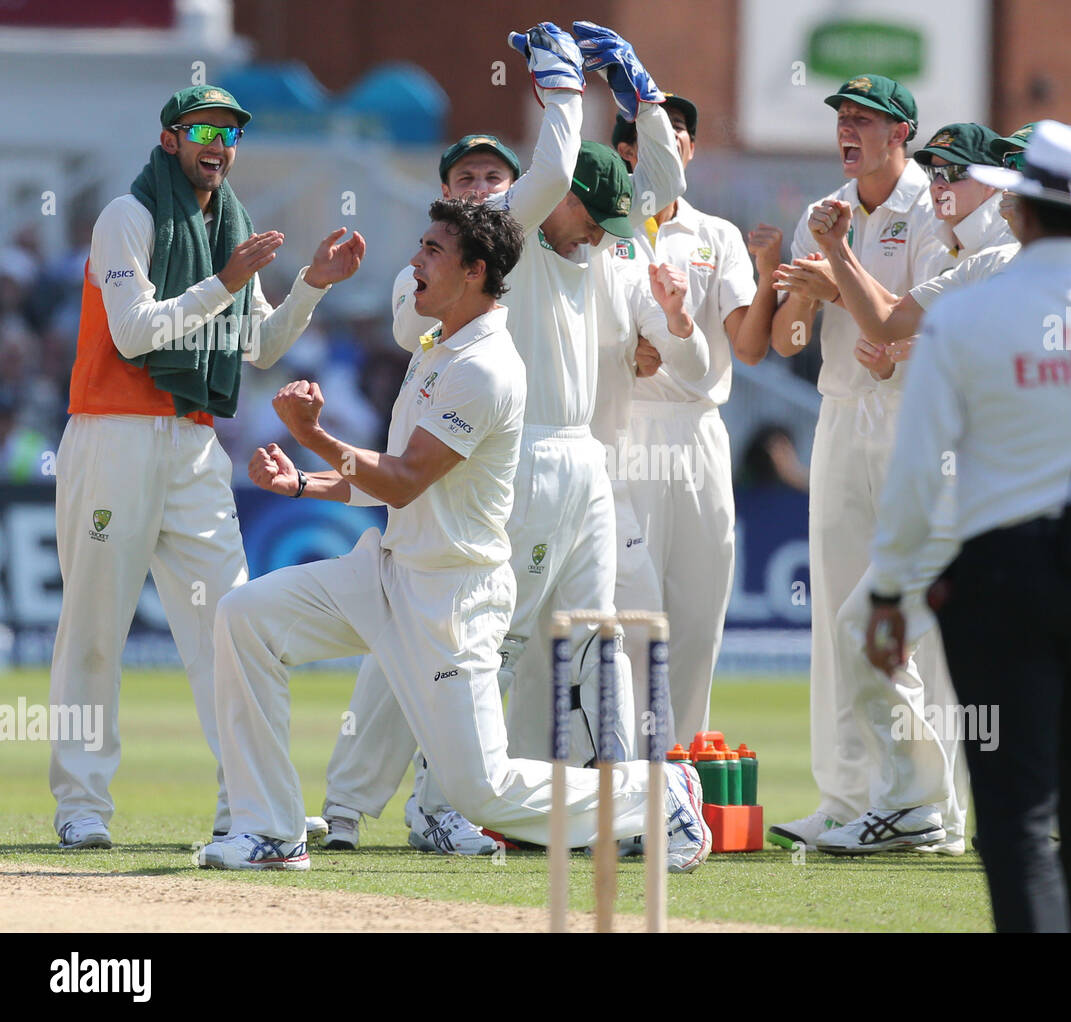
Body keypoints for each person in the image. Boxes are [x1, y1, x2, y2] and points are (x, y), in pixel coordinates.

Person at [195, 199, 711, 873]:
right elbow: (393, 481)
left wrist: (314, 437)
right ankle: (268, 830)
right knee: (244, 618)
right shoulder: (439, 349)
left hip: (451, 597)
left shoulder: (486, 366)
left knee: (483, 791)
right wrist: (305, 483)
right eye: (421, 246)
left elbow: (405, 479)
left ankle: (656, 792)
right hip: (387, 571)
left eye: (432, 251)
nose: (414, 260)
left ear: (473, 271)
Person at [317, 22, 701, 852]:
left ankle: (631, 803)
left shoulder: (583, 248)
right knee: (463, 645)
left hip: (579, 467)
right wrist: (563, 89)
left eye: (499, 177)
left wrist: (640, 94)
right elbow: (554, 173)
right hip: (487, 466)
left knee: (588, 635)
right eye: (471, 180)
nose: (491, 191)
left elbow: (649, 189)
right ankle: (430, 801)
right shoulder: (484, 256)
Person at [865, 47, 1071, 931]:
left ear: (1019, 202)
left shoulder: (970, 314)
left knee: (1016, 815)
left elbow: (914, 472)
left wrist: (890, 589)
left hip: (1001, 580)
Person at [49, 84, 365, 850]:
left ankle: (252, 808)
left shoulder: (231, 224)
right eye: (202, 130)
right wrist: (225, 280)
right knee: (93, 629)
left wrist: (311, 286)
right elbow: (132, 335)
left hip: (193, 442)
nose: (217, 144)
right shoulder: (129, 216)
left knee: (228, 625)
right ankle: (81, 808)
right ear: (170, 140)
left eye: (228, 132)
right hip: (113, 435)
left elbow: (257, 346)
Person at [762, 73, 954, 851]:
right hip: (841, 415)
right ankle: (845, 798)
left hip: (914, 420)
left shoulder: (934, 210)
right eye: (841, 116)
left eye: (864, 119)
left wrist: (835, 286)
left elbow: (927, 323)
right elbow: (783, 345)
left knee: (919, 618)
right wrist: (806, 297)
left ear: (900, 133)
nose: (848, 130)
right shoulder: (825, 213)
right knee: (837, 607)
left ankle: (936, 806)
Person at [610, 93, 782, 744]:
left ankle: (678, 776)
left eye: (682, 130)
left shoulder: (717, 236)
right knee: (631, 610)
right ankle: (624, 776)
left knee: (699, 609)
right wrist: (621, 352)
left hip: (701, 430)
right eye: (658, 132)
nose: (674, 139)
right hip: (627, 427)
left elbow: (750, 345)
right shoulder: (606, 231)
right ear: (630, 152)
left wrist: (770, 279)